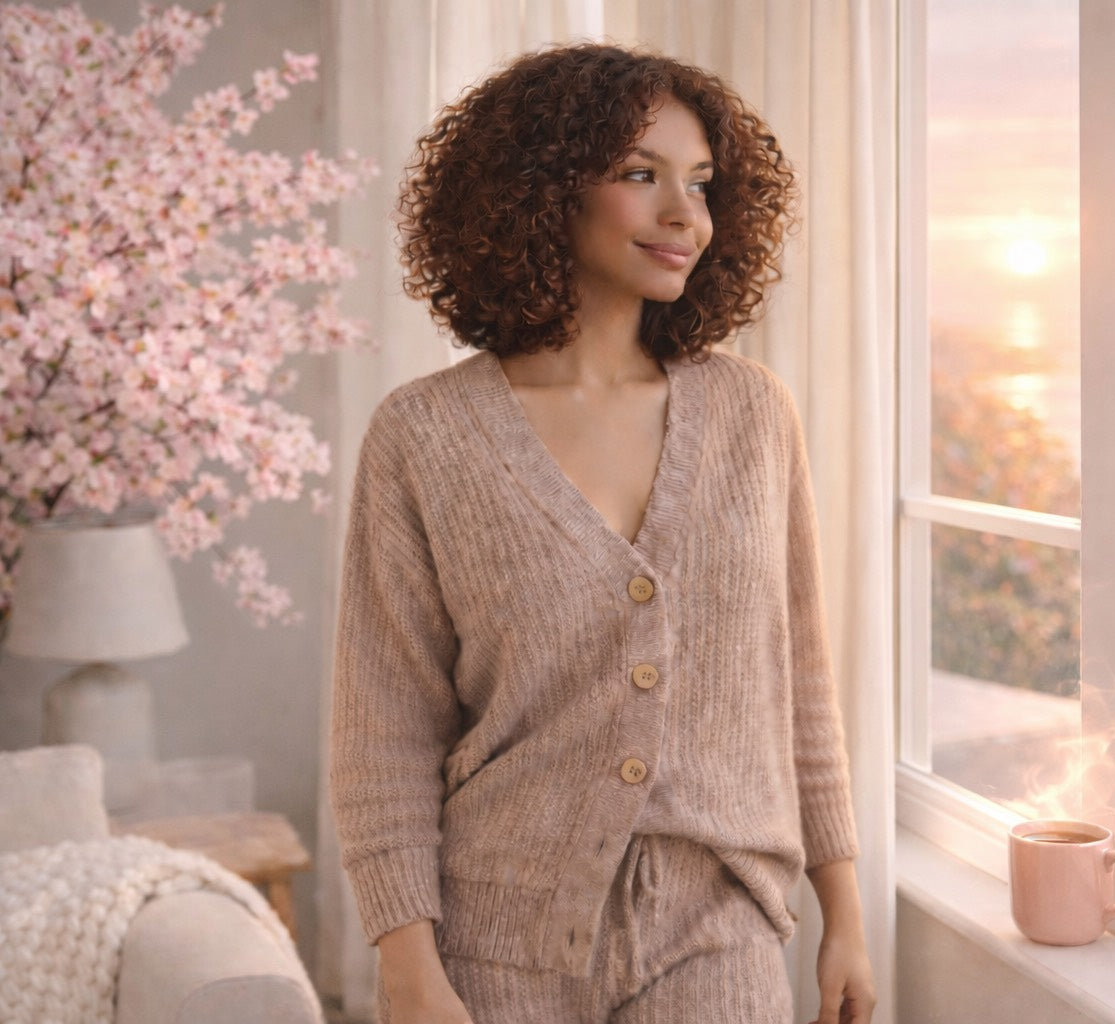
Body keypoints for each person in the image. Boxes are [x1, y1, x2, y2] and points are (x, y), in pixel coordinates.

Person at [329, 42, 876, 1024]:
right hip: (496, 936)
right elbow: (388, 728)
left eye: (702, 185)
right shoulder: (425, 436)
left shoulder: (752, 415)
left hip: (718, 927)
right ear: (540, 191)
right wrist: (405, 960)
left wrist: (845, 910)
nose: (684, 216)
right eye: (640, 175)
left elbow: (797, 682)